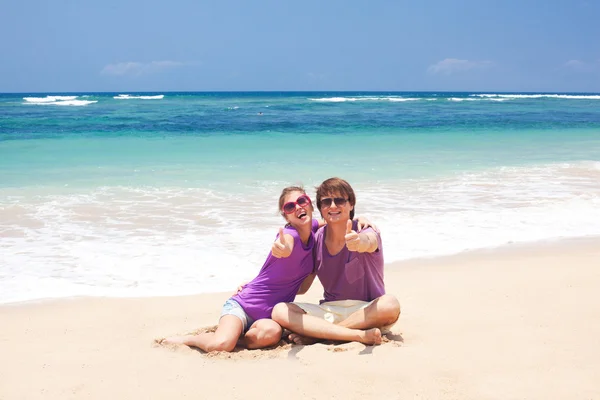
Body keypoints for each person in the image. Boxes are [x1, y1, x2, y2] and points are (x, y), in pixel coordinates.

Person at [162, 186, 318, 352]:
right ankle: (193, 339)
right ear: (286, 215)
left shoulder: (314, 230)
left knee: (272, 333)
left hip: (269, 317)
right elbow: (286, 244)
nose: (298, 207)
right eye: (290, 206)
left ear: (310, 204)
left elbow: (301, 289)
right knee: (221, 345)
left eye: (302, 201)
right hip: (243, 305)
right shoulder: (289, 235)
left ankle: (237, 337)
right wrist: (284, 249)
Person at [271, 177, 401, 345]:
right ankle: (349, 334)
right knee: (280, 310)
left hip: (366, 311)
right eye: (326, 202)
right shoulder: (316, 239)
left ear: (351, 204)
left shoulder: (365, 229)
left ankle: (322, 334)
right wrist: (257, 284)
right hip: (330, 310)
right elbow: (302, 288)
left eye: (339, 200)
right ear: (320, 208)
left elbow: (369, 241)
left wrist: (359, 242)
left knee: (390, 304)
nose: (332, 206)